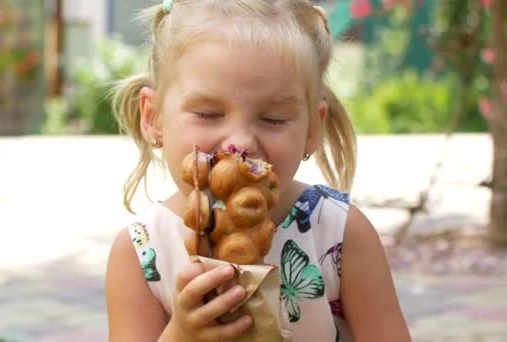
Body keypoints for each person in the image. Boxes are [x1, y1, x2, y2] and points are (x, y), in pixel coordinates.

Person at [106, 0, 411, 341]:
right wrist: (180, 334)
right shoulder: (142, 252)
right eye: (208, 113)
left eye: (273, 119)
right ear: (153, 118)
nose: (240, 143)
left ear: (312, 128)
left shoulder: (339, 234)